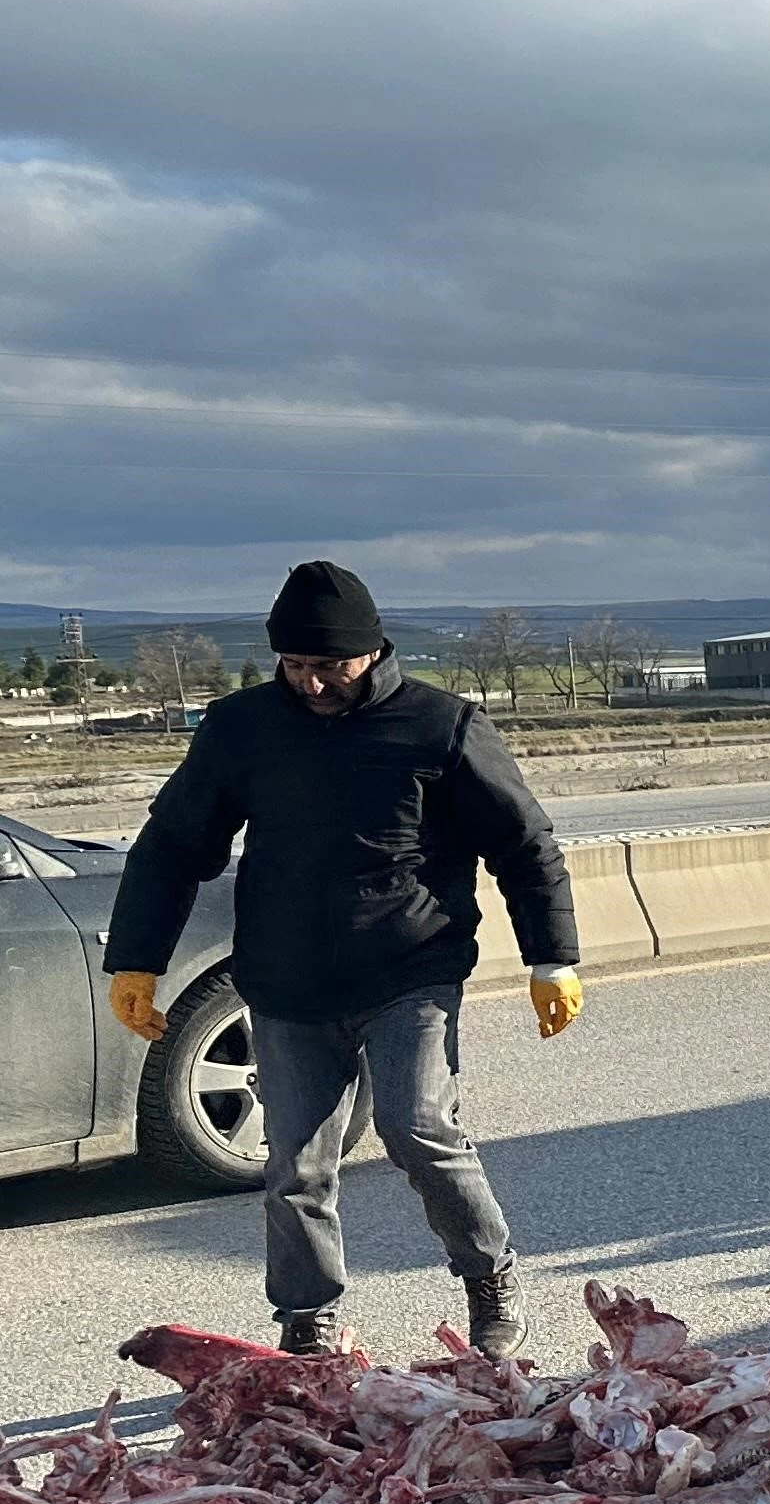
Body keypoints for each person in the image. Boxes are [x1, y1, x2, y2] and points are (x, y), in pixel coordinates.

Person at [103, 561, 584, 1358]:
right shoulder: (241, 729)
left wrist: (552, 958)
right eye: (295, 666)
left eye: (330, 666)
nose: (313, 683)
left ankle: (488, 1278)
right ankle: (307, 1321)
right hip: (287, 978)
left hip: (409, 968)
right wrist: (137, 961)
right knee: (295, 1164)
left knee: (417, 1127)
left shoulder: (443, 726)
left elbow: (524, 846)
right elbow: (173, 846)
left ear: (371, 652)